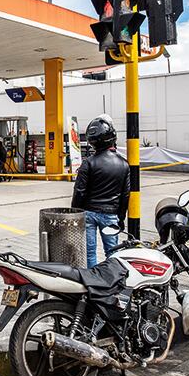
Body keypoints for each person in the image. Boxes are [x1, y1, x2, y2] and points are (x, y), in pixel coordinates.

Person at [72, 114, 131, 268]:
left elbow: (79, 192)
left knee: (90, 252)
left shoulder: (88, 164)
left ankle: (93, 282)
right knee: (112, 252)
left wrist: (74, 213)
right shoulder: (124, 164)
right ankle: (112, 281)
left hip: (88, 214)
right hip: (111, 214)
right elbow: (125, 195)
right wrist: (121, 217)